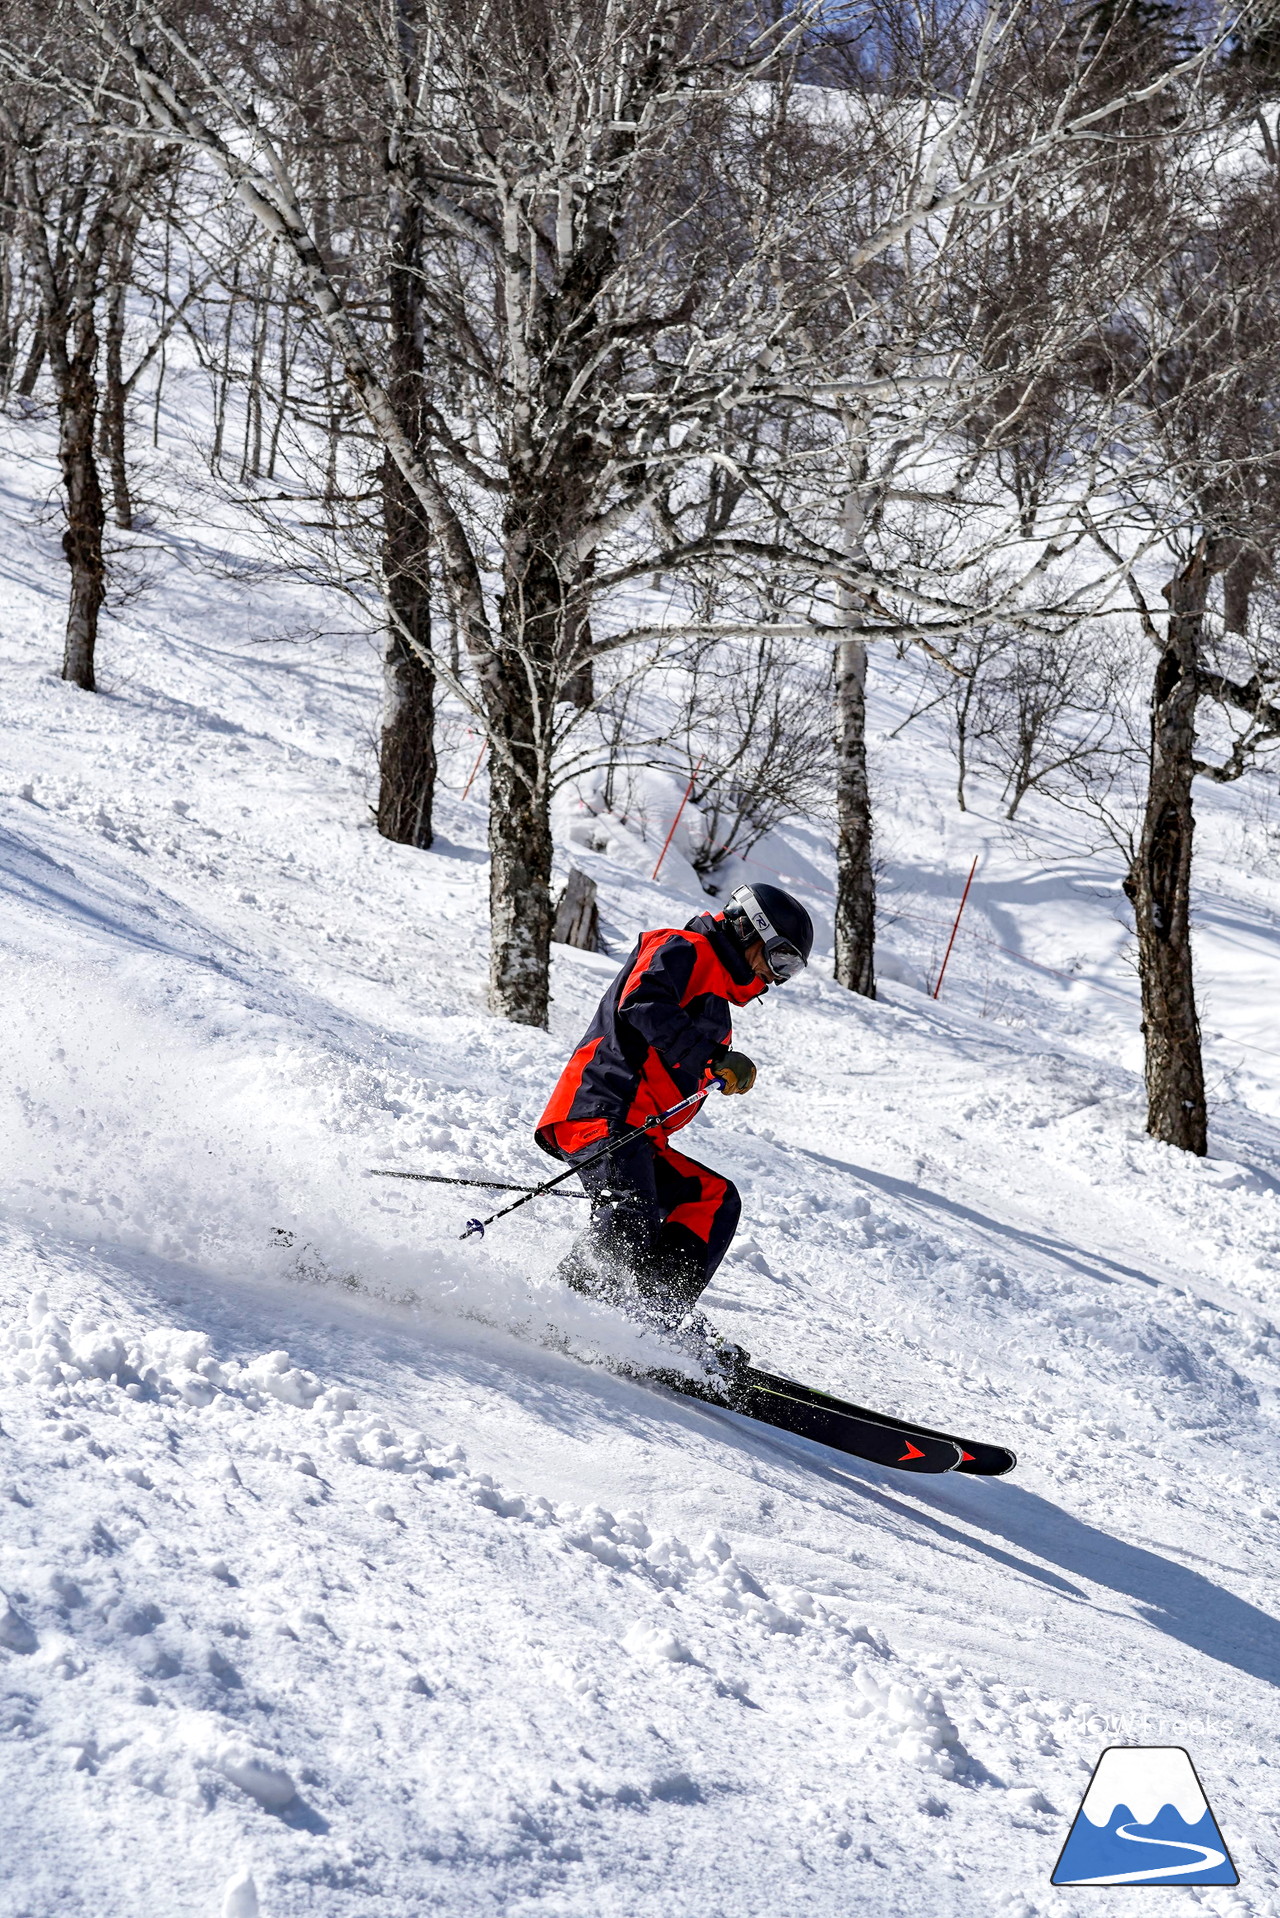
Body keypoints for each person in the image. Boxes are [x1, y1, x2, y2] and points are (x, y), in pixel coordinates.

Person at [534, 883, 814, 1362]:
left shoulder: (716, 1003)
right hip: (603, 1109)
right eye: (779, 958)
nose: (777, 976)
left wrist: (715, 1064)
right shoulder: (681, 948)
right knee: (631, 1212)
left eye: (790, 969)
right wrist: (712, 1058)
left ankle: (648, 1317)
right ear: (751, 928)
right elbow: (642, 1004)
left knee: (713, 1200)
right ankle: (559, 1313)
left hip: (639, 1131)